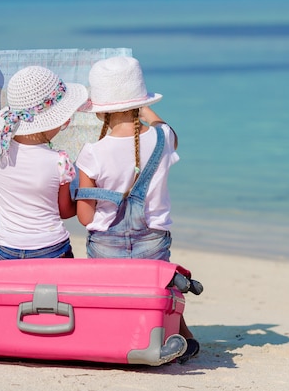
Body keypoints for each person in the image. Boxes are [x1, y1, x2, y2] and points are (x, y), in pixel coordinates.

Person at [74, 56, 200, 363]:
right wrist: (144, 109)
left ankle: (121, 338)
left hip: (107, 246)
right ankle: (181, 334)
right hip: (152, 240)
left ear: (100, 109)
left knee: (113, 298)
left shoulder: (91, 152)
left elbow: (86, 218)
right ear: (140, 104)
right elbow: (165, 128)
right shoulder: (163, 138)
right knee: (156, 294)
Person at [0, 49, 88, 259]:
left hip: (7, 248)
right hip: (51, 248)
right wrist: (89, 195)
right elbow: (65, 211)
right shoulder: (60, 161)